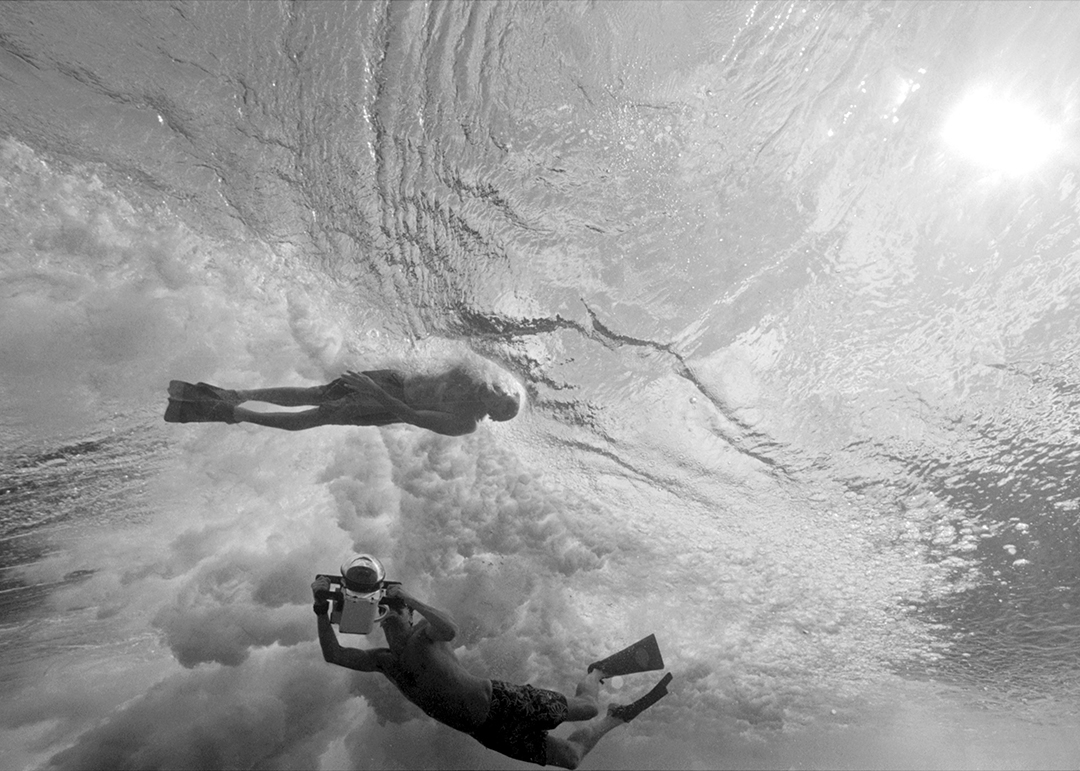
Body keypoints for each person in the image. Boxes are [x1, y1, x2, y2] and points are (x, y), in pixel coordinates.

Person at [310, 578, 672, 769]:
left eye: (396, 610)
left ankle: (598, 670)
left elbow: (450, 627)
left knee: (586, 708)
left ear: (408, 615)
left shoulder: (424, 634)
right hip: (486, 731)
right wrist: (320, 609)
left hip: (503, 701)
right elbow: (334, 654)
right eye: (385, 612)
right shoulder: (384, 660)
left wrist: (408, 598)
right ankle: (615, 718)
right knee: (570, 759)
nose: (390, 615)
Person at [164, 367, 520, 436]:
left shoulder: (463, 423)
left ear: (491, 415)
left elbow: (411, 415)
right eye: (503, 395)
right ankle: (237, 395)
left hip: (384, 402)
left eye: (500, 405)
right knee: (320, 393)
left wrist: (373, 391)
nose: (496, 396)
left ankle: (234, 413)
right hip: (392, 379)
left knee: (319, 415)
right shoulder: (477, 375)